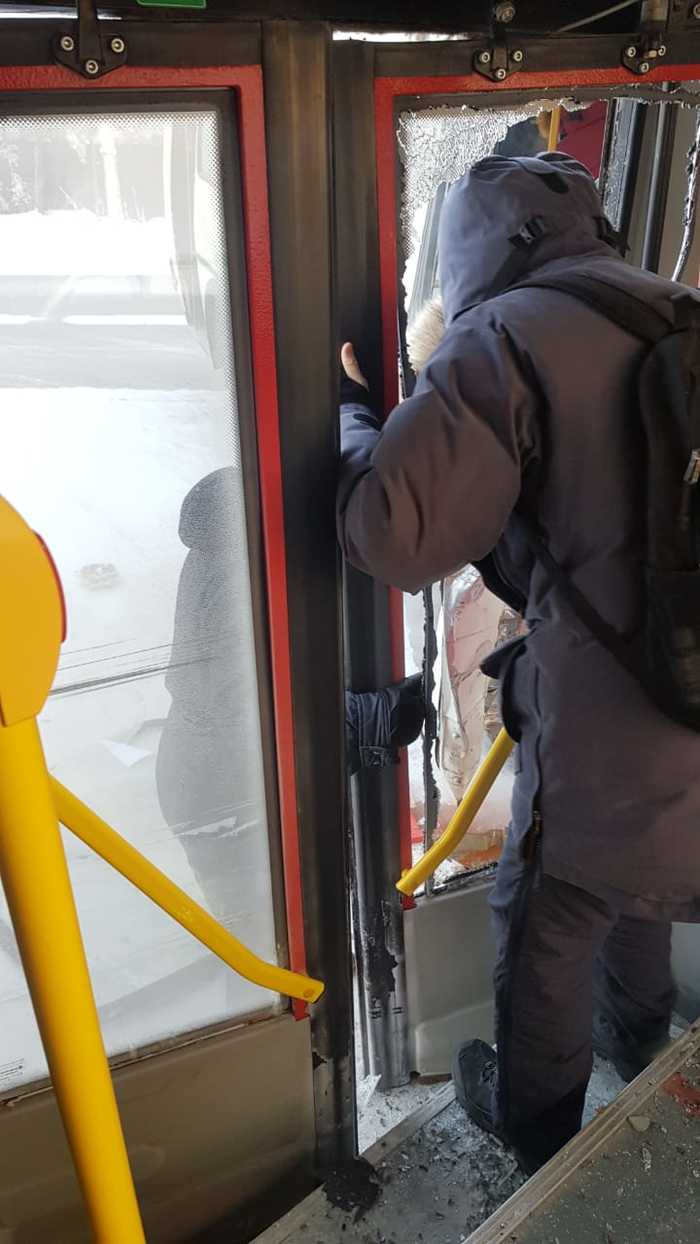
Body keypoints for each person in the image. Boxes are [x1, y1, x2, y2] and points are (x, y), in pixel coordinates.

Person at [337, 152, 700, 1175]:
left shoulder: (499, 338)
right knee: (636, 876)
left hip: (606, 727)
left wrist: (356, 414)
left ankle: (535, 1135)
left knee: (549, 913)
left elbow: (393, 536)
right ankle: (642, 1044)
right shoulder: (676, 306)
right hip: (690, 693)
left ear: (469, 254)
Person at [157, 468, 424, 917]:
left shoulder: (231, 550)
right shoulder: (237, 585)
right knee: (265, 930)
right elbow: (246, 709)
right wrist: (366, 720)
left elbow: (273, 671)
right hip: (226, 789)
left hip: (203, 770)